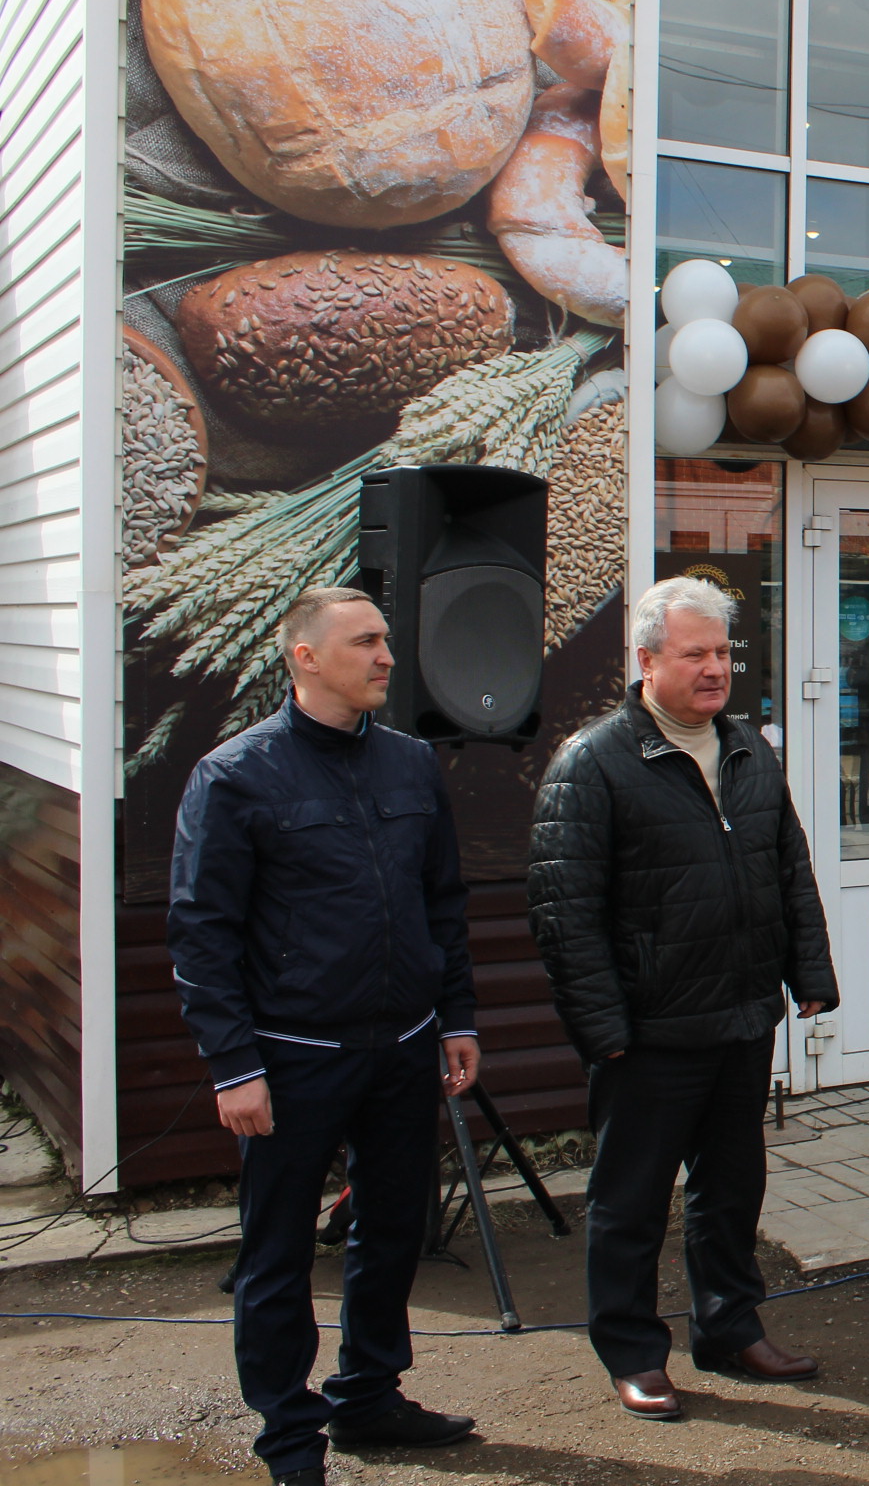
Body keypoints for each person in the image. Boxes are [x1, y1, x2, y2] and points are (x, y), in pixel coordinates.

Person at [165, 586, 480, 1486]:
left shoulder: (413, 766)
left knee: (390, 1233)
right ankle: (291, 1441)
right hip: (293, 1058)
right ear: (304, 656)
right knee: (277, 1254)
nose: (387, 657)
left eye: (387, 641)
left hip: (404, 1047)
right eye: (366, 642)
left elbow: (441, 905)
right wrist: (233, 1065)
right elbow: (202, 932)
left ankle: (369, 1397)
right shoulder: (236, 775)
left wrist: (454, 1016)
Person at [528, 576, 840, 1419]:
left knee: (732, 1189)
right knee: (630, 1202)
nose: (714, 669)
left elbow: (789, 868)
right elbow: (565, 915)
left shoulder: (748, 748)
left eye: (722, 653)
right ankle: (633, 1351)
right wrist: (604, 1030)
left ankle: (730, 1329)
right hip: (649, 1032)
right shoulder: (592, 764)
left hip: (741, 1017)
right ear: (646, 660)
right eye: (694, 653)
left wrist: (810, 978)